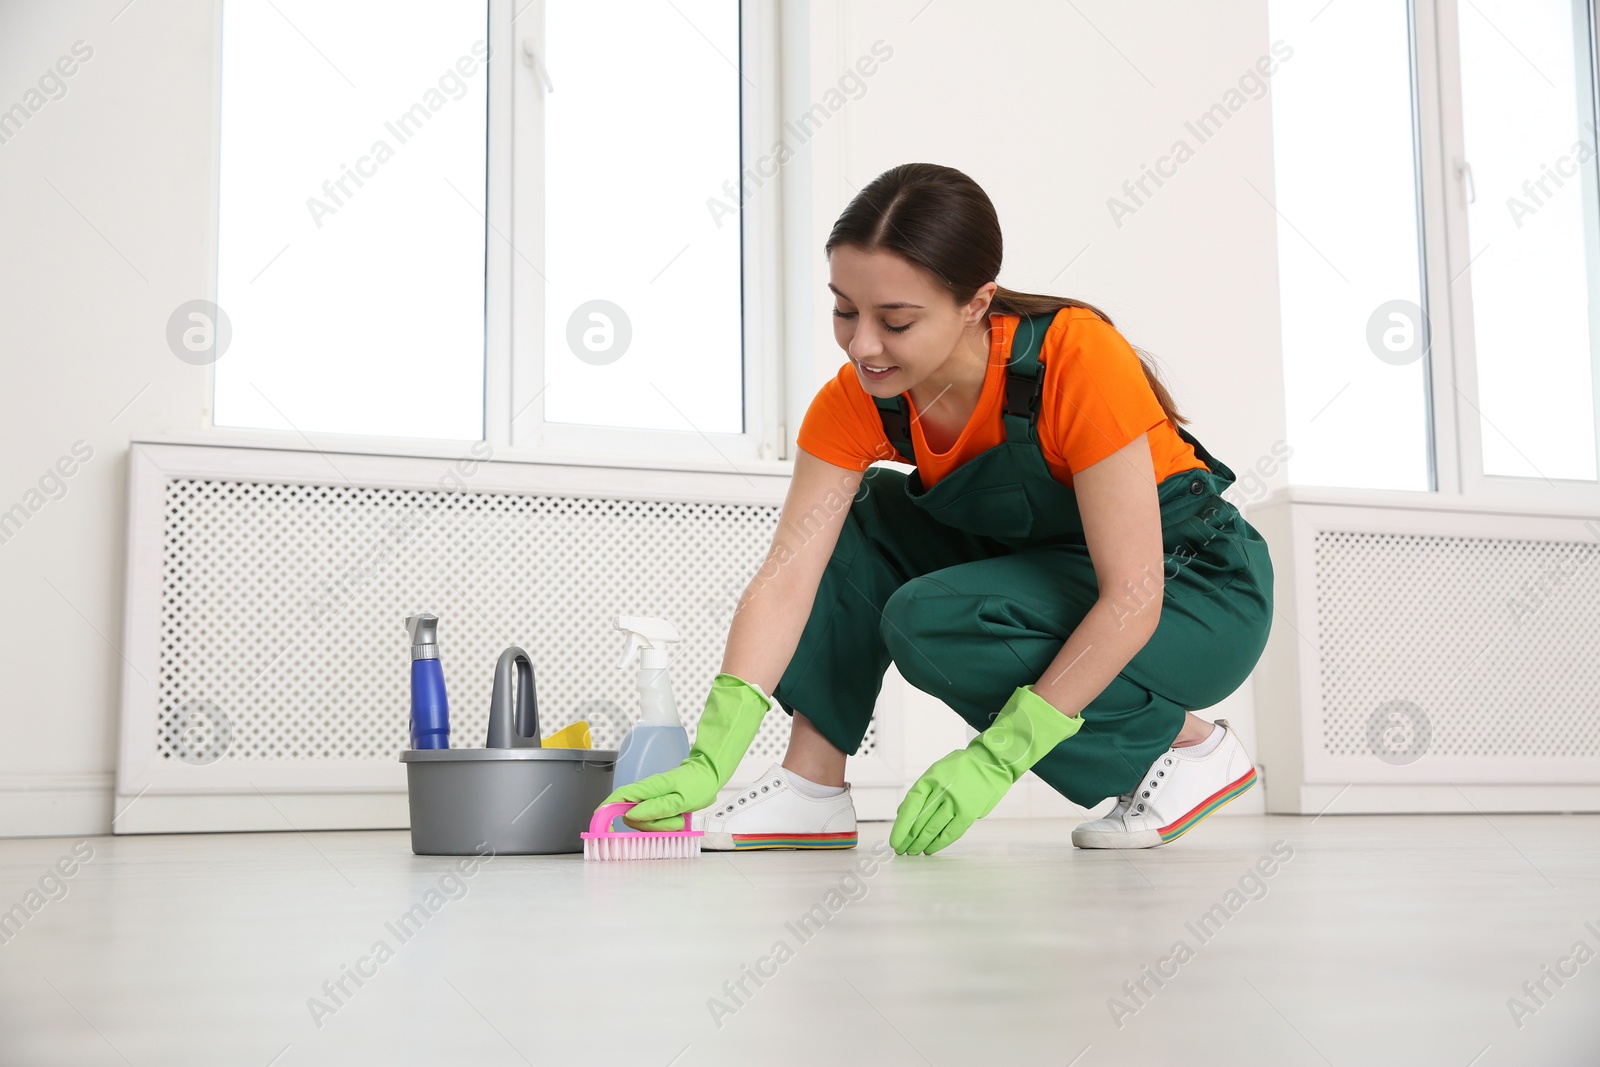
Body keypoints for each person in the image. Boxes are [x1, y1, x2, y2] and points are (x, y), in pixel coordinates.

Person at [599, 162, 1273, 856]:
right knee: (865, 512)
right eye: (844, 309)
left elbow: (1133, 592)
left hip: (1193, 589)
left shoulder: (1077, 358)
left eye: (895, 320)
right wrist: (714, 756)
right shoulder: (859, 399)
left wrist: (1000, 754)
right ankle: (810, 786)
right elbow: (787, 577)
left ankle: (1187, 747)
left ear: (977, 302)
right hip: (1056, 573)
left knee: (931, 618)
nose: (862, 344)